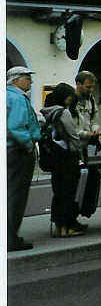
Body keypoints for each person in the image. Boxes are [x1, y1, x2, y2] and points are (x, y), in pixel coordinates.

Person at [40, 83, 85, 238]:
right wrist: (79, 154)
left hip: (55, 157)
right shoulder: (63, 113)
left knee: (58, 192)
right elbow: (73, 136)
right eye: (69, 97)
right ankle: (67, 227)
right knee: (68, 192)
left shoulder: (47, 112)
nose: (69, 100)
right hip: (67, 157)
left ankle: (58, 227)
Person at [6, 66, 41, 251]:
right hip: (17, 151)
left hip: (8, 150)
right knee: (16, 196)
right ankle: (10, 238)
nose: (31, 81)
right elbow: (16, 126)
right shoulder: (18, 98)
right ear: (17, 79)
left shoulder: (6, 95)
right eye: (27, 78)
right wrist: (28, 145)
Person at [73, 71, 101, 160]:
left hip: (84, 146)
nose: (91, 90)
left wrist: (95, 130)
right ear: (78, 84)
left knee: (85, 171)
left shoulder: (91, 99)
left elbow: (94, 119)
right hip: (72, 147)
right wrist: (87, 134)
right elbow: (71, 127)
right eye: (88, 87)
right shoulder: (71, 100)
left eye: (93, 87)